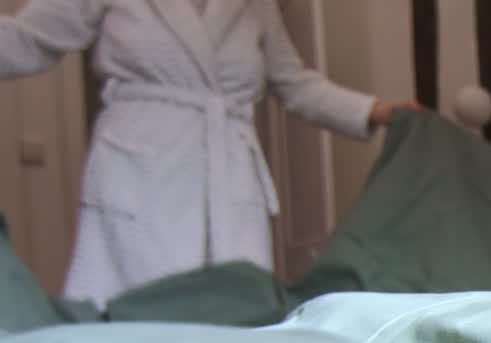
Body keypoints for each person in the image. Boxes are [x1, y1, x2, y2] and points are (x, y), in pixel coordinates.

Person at [0, 0, 420, 305]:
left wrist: (377, 111)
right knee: (139, 314)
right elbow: (25, 39)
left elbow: (295, 83)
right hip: (139, 170)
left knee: (234, 314)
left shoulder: (255, 6)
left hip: (230, 173)